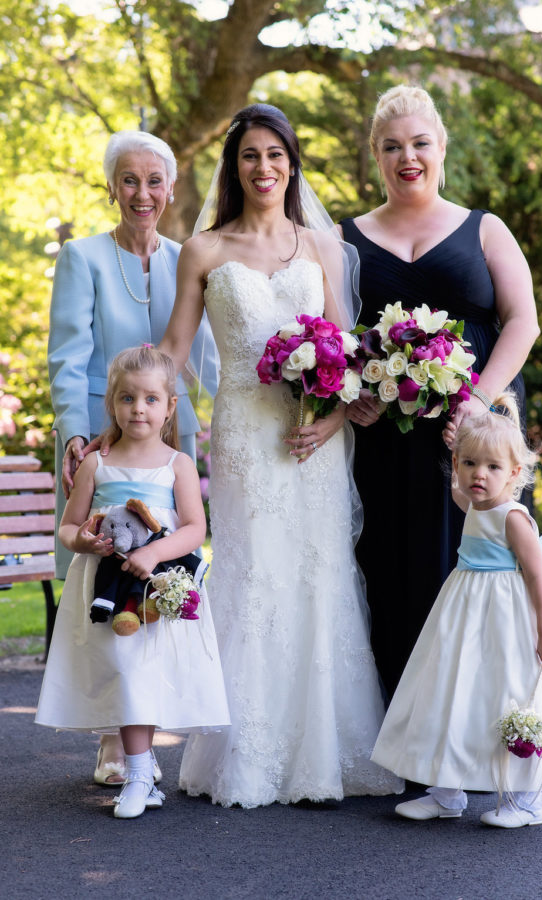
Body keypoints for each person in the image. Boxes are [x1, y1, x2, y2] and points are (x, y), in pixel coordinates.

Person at [159, 103, 401, 808]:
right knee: (253, 576)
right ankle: (244, 754)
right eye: (248, 156)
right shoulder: (203, 251)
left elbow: (346, 353)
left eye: (274, 154)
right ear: (233, 169)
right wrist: (128, 416)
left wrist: (328, 425)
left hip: (310, 439)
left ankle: (322, 753)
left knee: (316, 576)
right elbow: (175, 352)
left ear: (291, 162)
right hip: (241, 437)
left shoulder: (321, 245)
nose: (263, 168)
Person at [340, 84, 541, 700]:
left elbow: (523, 321)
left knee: (479, 564)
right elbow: (334, 335)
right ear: (375, 155)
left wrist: (477, 401)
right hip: (387, 436)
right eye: (392, 146)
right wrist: (350, 392)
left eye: (420, 143)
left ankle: (490, 724)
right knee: (392, 566)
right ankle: (408, 740)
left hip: (475, 433)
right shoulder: (346, 237)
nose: (409, 157)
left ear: (441, 146)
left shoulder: (484, 228)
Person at [47, 129, 217, 785]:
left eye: (154, 181)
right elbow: (66, 357)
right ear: (112, 187)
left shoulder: (187, 257)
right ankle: (111, 738)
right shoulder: (81, 257)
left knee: (161, 580)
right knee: (102, 580)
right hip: (100, 433)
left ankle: (149, 720)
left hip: (173, 435)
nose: (141, 193)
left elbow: (205, 356)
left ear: (171, 189)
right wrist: (72, 434)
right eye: (128, 180)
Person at [370, 393, 542, 827]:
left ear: (514, 474)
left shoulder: (515, 518)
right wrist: (457, 449)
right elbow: (461, 495)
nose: (479, 474)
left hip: (509, 617)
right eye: (470, 463)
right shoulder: (473, 502)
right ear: (456, 464)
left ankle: (526, 800)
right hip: (463, 613)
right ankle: (445, 790)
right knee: (452, 689)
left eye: (493, 467)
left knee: (509, 692)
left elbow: (536, 578)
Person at [36, 346, 229, 819]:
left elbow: (192, 528)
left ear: (169, 407)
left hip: (157, 586)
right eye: (126, 398)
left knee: (144, 672)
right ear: (111, 404)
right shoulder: (96, 464)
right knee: (124, 670)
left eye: (149, 399)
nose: (137, 408)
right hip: (105, 589)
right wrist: (84, 542)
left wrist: (152, 552)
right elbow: (67, 527)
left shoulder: (177, 464)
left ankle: (142, 772)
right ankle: (140, 773)